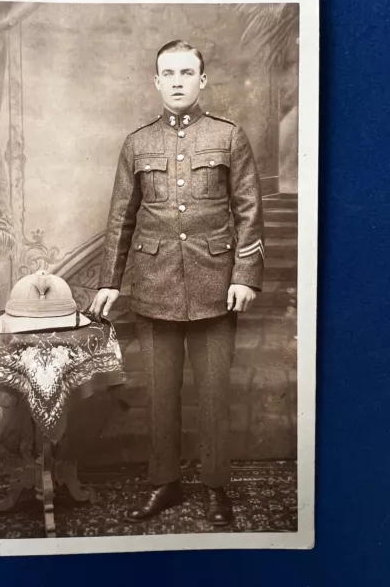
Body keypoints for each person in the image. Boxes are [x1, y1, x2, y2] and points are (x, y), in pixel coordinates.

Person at [90, 40, 264, 526]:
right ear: (156, 81)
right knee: (160, 395)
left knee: (213, 394)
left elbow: (249, 210)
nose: (178, 81)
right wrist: (109, 281)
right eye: (169, 73)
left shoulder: (229, 136)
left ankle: (215, 487)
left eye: (187, 73)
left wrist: (245, 276)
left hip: (216, 285)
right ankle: (164, 483)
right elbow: (120, 218)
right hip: (154, 284)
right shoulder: (137, 143)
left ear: (202, 80)